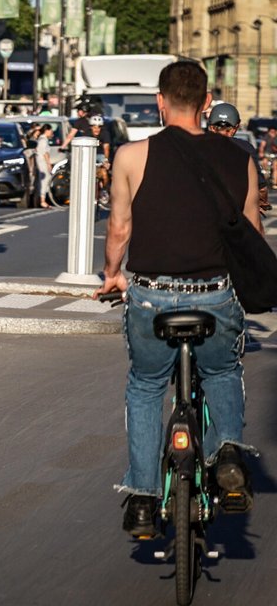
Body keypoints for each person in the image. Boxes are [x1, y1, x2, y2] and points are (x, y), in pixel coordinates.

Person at [95, 61, 258, 538]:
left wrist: (112, 275)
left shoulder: (131, 156)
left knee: (146, 385)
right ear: (207, 103)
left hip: (151, 296)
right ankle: (227, 453)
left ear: (160, 102)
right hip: (213, 294)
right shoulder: (240, 158)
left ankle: (143, 500)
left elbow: (119, 228)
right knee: (222, 370)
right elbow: (250, 235)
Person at [206, 102, 270, 211]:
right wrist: (262, 202)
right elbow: (261, 187)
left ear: (211, 127)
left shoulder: (196, 145)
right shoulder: (245, 148)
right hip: (235, 212)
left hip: (202, 209)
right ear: (235, 128)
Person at [35, 123, 55, 208]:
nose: (51, 133)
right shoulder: (43, 140)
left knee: (43, 181)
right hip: (42, 163)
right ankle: (42, 201)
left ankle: (43, 200)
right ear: (47, 130)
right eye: (51, 131)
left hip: (40, 162)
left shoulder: (41, 139)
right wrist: (49, 164)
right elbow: (45, 153)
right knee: (44, 181)